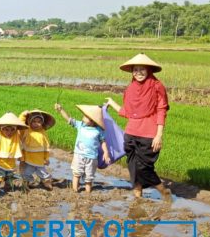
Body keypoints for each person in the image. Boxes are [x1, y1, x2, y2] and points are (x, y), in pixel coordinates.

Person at [105, 53, 170, 199]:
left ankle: (164, 192)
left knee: (144, 167)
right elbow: (127, 112)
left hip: (148, 135)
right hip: (130, 134)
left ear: (148, 70)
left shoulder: (157, 86)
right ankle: (138, 195)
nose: (138, 73)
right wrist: (111, 102)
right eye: (135, 70)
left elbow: (161, 110)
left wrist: (159, 135)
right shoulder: (130, 89)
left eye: (142, 69)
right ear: (132, 71)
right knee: (133, 167)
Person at [54, 103, 110, 193]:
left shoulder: (98, 130)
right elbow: (69, 119)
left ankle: (88, 193)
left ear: (92, 120)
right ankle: (75, 191)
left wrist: (106, 153)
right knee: (76, 174)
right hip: (79, 155)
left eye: (86, 116)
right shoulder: (80, 125)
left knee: (89, 178)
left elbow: (103, 142)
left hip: (91, 158)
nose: (83, 116)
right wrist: (61, 109)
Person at [0, 113, 27, 197]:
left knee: (9, 179)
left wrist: (21, 157)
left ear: (15, 129)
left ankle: (6, 189)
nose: (9, 132)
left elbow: (19, 147)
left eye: (12, 129)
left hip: (10, 163)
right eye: (6, 129)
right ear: (2, 128)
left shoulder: (16, 136)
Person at [19, 109, 56, 190]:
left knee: (43, 173)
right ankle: (27, 184)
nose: (36, 124)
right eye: (34, 121)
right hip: (28, 159)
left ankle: (47, 184)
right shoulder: (26, 131)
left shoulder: (42, 132)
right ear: (29, 121)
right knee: (26, 173)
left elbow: (46, 147)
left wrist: (46, 158)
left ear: (42, 123)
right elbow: (20, 125)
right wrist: (23, 115)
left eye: (39, 122)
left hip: (39, 159)